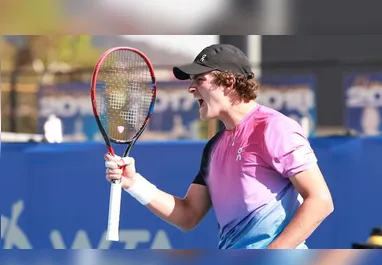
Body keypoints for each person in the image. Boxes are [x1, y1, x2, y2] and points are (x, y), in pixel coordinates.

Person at [104, 44, 334, 249]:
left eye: (199, 80)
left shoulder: (275, 128)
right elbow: (188, 215)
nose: (191, 88)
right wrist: (134, 183)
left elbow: (320, 201)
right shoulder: (214, 147)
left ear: (229, 82)